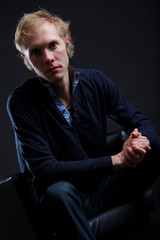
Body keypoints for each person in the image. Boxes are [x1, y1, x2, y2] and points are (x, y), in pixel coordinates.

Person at [7, 9, 159, 240]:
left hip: (103, 188)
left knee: (155, 146)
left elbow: (139, 122)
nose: (48, 57)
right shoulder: (21, 102)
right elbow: (46, 170)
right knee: (60, 191)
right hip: (64, 199)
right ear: (27, 60)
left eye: (53, 45)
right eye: (36, 52)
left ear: (66, 43)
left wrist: (139, 142)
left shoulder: (95, 81)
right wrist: (115, 160)